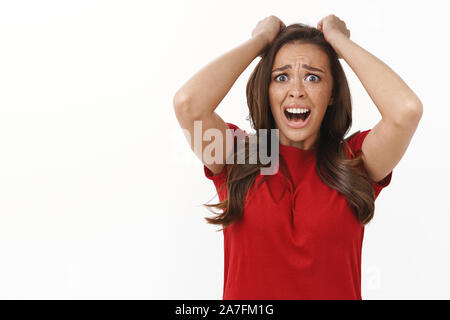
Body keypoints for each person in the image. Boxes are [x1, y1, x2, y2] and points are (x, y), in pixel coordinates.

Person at [173, 14, 422, 300]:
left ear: (332, 93)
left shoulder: (352, 160)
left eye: (313, 77)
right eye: (281, 77)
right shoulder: (244, 153)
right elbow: (187, 104)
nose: (296, 91)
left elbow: (406, 110)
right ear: (267, 90)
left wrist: (338, 41)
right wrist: (260, 42)